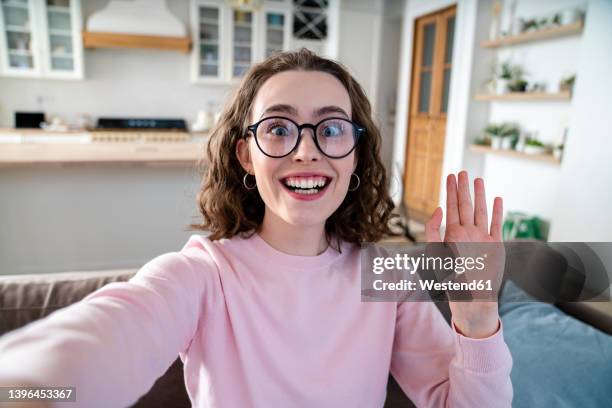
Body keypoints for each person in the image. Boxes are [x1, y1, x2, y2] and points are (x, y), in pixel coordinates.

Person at [0, 48, 512, 407]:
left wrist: (477, 316)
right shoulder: (204, 273)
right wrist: (25, 385)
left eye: (332, 128)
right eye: (279, 128)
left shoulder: (387, 279)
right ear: (246, 153)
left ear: (355, 154)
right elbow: (112, 334)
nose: (306, 149)